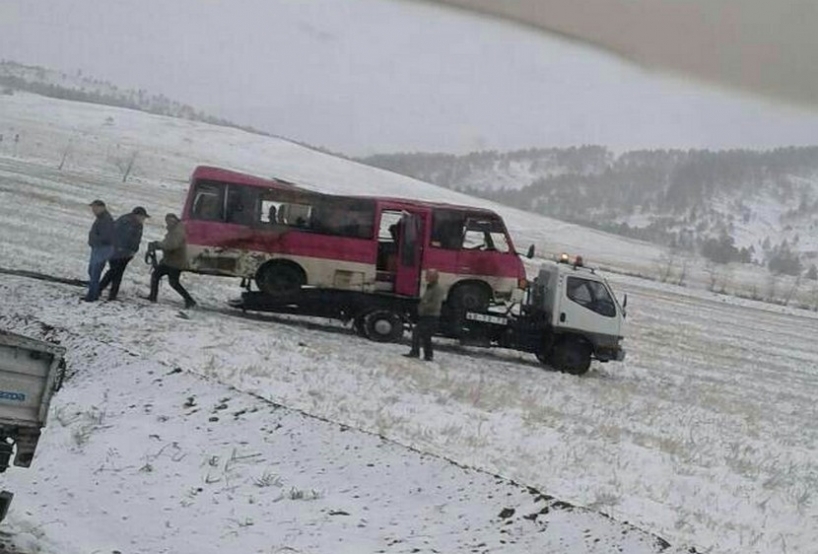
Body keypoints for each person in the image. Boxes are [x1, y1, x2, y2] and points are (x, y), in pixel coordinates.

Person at [146, 214, 196, 308]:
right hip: (171, 261)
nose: (169, 222)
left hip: (175, 262)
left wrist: (158, 245)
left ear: (175, 220)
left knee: (173, 282)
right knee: (157, 275)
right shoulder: (175, 230)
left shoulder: (178, 231)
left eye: (170, 220)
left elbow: (171, 245)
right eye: (167, 221)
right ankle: (152, 296)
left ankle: (190, 300)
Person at [100, 206, 149, 301]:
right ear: (136, 215)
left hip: (127, 253)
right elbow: (116, 234)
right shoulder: (126, 221)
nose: (143, 219)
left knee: (117, 273)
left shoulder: (137, 224)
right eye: (142, 217)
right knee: (113, 271)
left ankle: (112, 293)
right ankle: (100, 289)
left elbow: (135, 240)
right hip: (117, 251)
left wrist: (133, 251)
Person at [405, 269, 447, 361]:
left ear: (434, 277)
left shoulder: (437, 289)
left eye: (428, 276)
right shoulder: (430, 287)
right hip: (427, 315)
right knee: (426, 335)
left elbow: (435, 304)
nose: (425, 277)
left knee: (417, 332)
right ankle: (428, 355)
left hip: (431, 316)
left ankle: (415, 352)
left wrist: (423, 306)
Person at [83, 199, 115, 302]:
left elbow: (106, 237)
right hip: (99, 248)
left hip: (102, 249)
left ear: (102, 207)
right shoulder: (102, 218)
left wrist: (95, 240)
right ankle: (93, 294)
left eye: (95, 207)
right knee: (93, 271)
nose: (93, 210)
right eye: (93, 207)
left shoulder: (105, 219)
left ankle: (92, 296)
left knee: (94, 272)